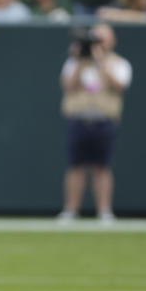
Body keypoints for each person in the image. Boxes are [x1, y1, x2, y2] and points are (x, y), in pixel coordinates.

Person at [57, 23, 132, 222]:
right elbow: (67, 85)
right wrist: (79, 58)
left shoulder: (118, 62)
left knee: (102, 167)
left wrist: (101, 60)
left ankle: (104, 210)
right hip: (78, 117)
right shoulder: (76, 62)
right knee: (75, 166)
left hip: (104, 119)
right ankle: (71, 209)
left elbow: (119, 84)